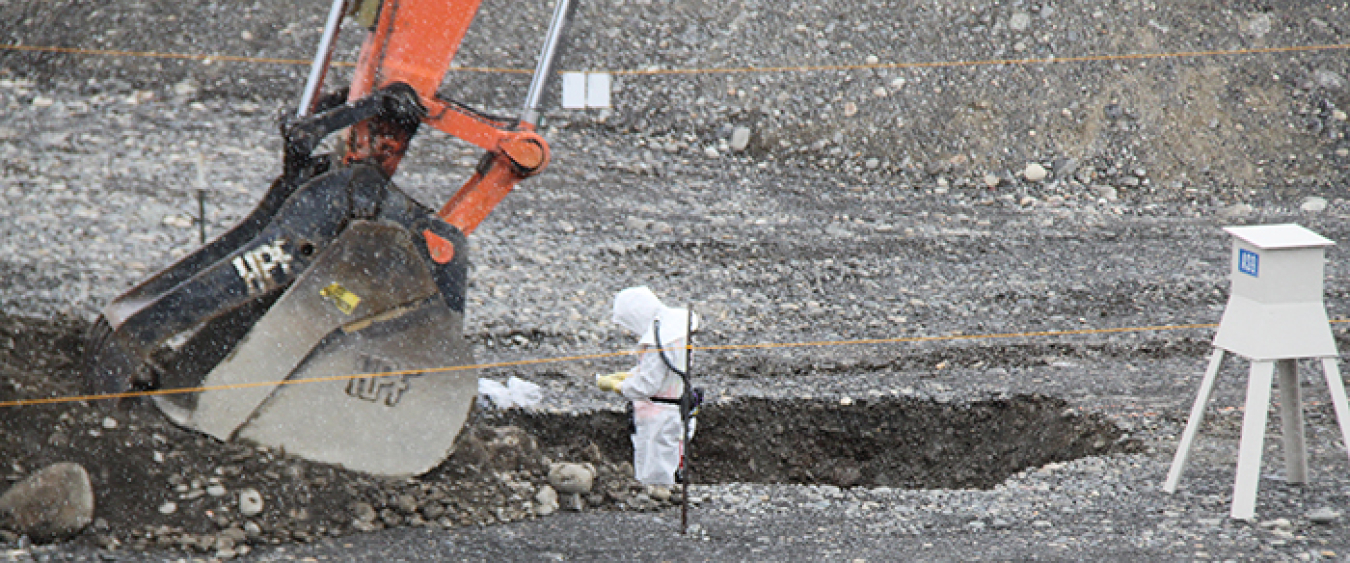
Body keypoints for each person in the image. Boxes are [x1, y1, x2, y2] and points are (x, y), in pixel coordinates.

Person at [595, 286, 698, 485]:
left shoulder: (659, 341)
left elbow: (647, 385)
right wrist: (630, 375)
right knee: (668, 458)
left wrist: (618, 386)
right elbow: (664, 372)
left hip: (659, 414)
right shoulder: (675, 333)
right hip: (674, 406)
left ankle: (656, 501)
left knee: (654, 468)